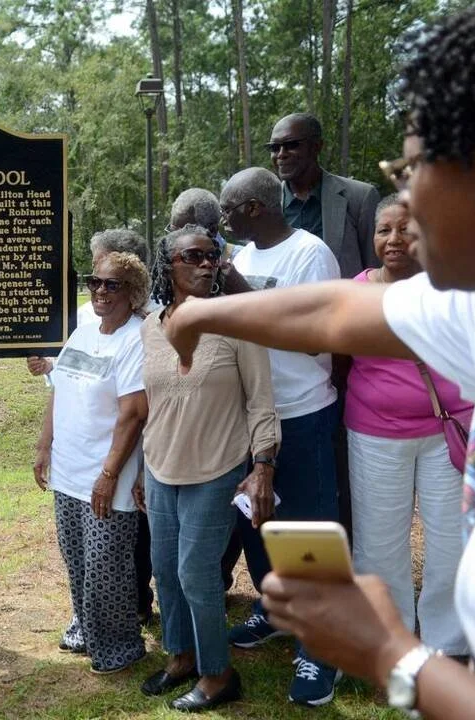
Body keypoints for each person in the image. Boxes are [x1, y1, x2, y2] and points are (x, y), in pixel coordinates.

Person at [161, 4, 475, 716]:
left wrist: (391, 657)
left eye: (409, 170)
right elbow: (333, 310)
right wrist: (199, 314)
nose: (401, 203)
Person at [136, 227, 280, 711]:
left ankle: (218, 674)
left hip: (216, 467)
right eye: (193, 255)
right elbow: (152, 405)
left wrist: (263, 466)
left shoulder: (238, 324)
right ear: (168, 265)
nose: (206, 263)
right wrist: (140, 467)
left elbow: (261, 402)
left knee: (197, 573)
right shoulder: (151, 326)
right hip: (160, 466)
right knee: (165, 570)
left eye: (212, 256)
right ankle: (181, 656)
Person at [218, 166, 345, 706]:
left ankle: (323, 651)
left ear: (254, 208)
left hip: (302, 412)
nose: (221, 220)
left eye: (228, 209)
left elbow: (318, 339)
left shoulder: (310, 254)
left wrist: (243, 295)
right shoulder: (241, 258)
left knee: (308, 533)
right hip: (251, 417)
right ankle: (272, 611)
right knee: (257, 524)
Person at [343, 195, 471, 657]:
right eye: (384, 230)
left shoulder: (455, 287)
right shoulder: (356, 290)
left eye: (406, 229)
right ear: (373, 237)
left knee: (450, 540)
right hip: (375, 433)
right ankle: (390, 638)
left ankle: (448, 645)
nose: (394, 239)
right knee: (379, 541)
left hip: (446, 433)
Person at [28, 227, 156, 638]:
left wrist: (110, 474)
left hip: (105, 474)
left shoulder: (137, 338)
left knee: (107, 563)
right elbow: (59, 390)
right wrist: (44, 444)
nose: (100, 291)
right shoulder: (83, 332)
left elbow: (134, 414)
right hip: (68, 470)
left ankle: (117, 644)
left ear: (133, 292)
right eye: (94, 282)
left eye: (111, 285)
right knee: (76, 557)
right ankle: (84, 625)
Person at [268, 112, 381, 279]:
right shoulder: (268, 205)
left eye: (292, 145)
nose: (281, 154)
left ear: (316, 147)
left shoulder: (360, 197)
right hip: (284, 304)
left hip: (344, 302)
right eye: (274, 147)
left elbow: (376, 270)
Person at [165, 188, 240, 260]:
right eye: (172, 232)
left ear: (212, 231)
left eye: (183, 234)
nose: (174, 241)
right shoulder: (169, 263)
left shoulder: (243, 263)